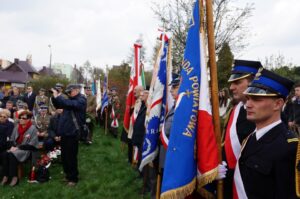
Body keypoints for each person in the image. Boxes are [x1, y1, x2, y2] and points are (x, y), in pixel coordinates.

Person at [233, 68, 297, 198]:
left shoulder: (290, 147)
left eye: (257, 99)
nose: (249, 105)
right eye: (248, 98)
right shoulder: (250, 138)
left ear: (278, 104)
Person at [220, 60, 261, 198]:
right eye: (232, 83)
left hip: (250, 184)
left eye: (237, 83)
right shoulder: (236, 109)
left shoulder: (264, 114)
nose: (231, 87)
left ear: (253, 82)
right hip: (228, 178)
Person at [51, 84, 86, 186]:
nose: (68, 94)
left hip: (73, 132)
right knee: (65, 156)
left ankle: (73, 178)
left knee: (71, 156)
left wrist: (58, 96)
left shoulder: (81, 99)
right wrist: (54, 96)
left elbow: (70, 104)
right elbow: (58, 104)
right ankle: (68, 175)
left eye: (69, 92)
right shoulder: (70, 100)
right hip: (65, 132)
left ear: (76, 90)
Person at [0, 110, 38, 187]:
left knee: (11, 155)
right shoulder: (17, 127)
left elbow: (32, 145)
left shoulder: (33, 128)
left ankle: (14, 177)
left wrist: (17, 148)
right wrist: (13, 146)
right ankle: (5, 176)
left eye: (23, 118)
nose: (21, 119)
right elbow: (11, 139)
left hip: (26, 150)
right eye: (20, 118)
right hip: (15, 148)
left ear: (28, 120)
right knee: (4, 154)